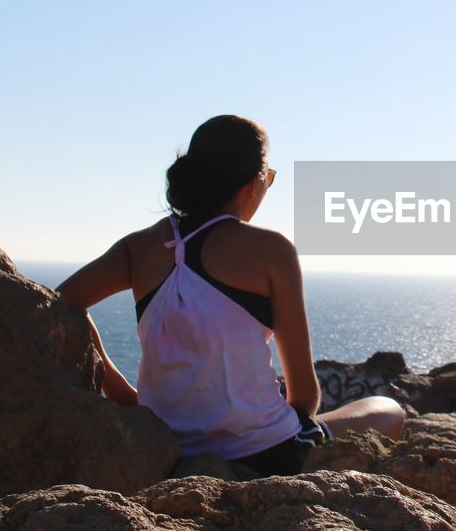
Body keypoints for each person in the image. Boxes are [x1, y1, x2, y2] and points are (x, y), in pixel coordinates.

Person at [56, 114, 405, 476]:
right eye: (268, 179)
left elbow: (58, 305)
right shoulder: (272, 250)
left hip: (166, 448)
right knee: (387, 410)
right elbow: (304, 396)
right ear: (252, 184)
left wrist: (125, 397)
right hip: (268, 454)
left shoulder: (136, 248)